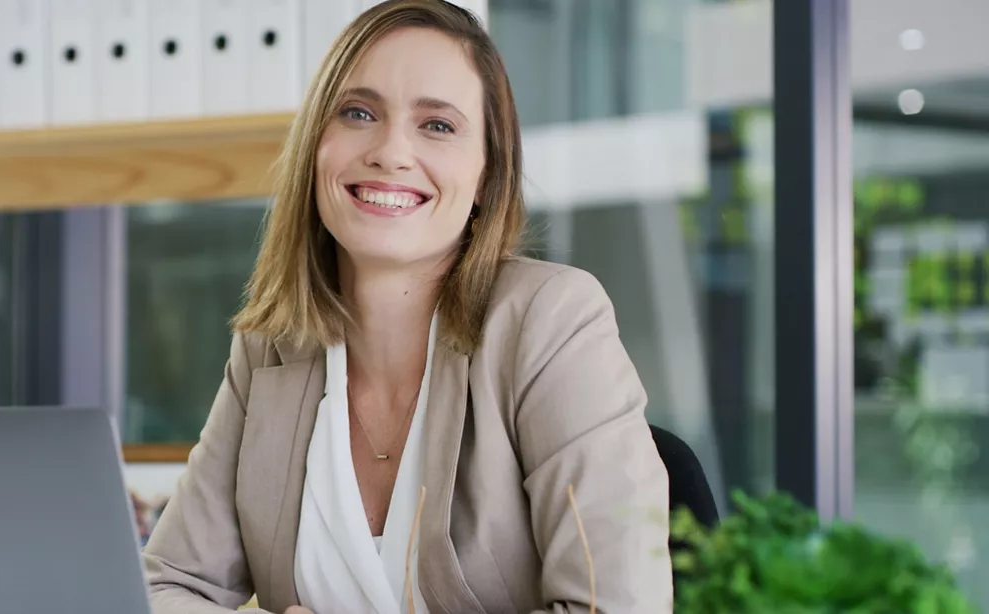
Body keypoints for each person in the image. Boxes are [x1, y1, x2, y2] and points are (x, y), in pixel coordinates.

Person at [140, 1, 673, 613]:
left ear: (486, 177)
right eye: (358, 113)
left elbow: (616, 607)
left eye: (437, 125)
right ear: (316, 146)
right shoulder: (271, 346)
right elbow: (166, 587)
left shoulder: (550, 321)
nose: (390, 152)